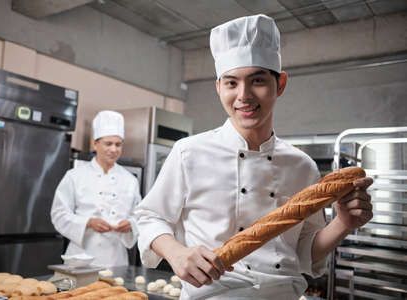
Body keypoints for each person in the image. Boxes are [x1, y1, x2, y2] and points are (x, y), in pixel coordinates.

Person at [135, 14, 373, 299]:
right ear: (219, 87)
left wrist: (343, 222)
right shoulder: (189, 152)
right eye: (231, 83)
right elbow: (149, 217)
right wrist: (176, 253)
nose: (244, 95)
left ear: (280, 84)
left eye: (257, 80)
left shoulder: (302, 166)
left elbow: (305, 250)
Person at [51, 110, 141, 267]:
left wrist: (131, 224)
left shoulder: (130, 180)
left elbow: (140, 216)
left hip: (116, 261)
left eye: (118, 144)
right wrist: (88, 222)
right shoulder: (75, 176)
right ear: (95, 143)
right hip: (80, 259)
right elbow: (58, 214)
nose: (114, 149)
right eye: (108, 144)